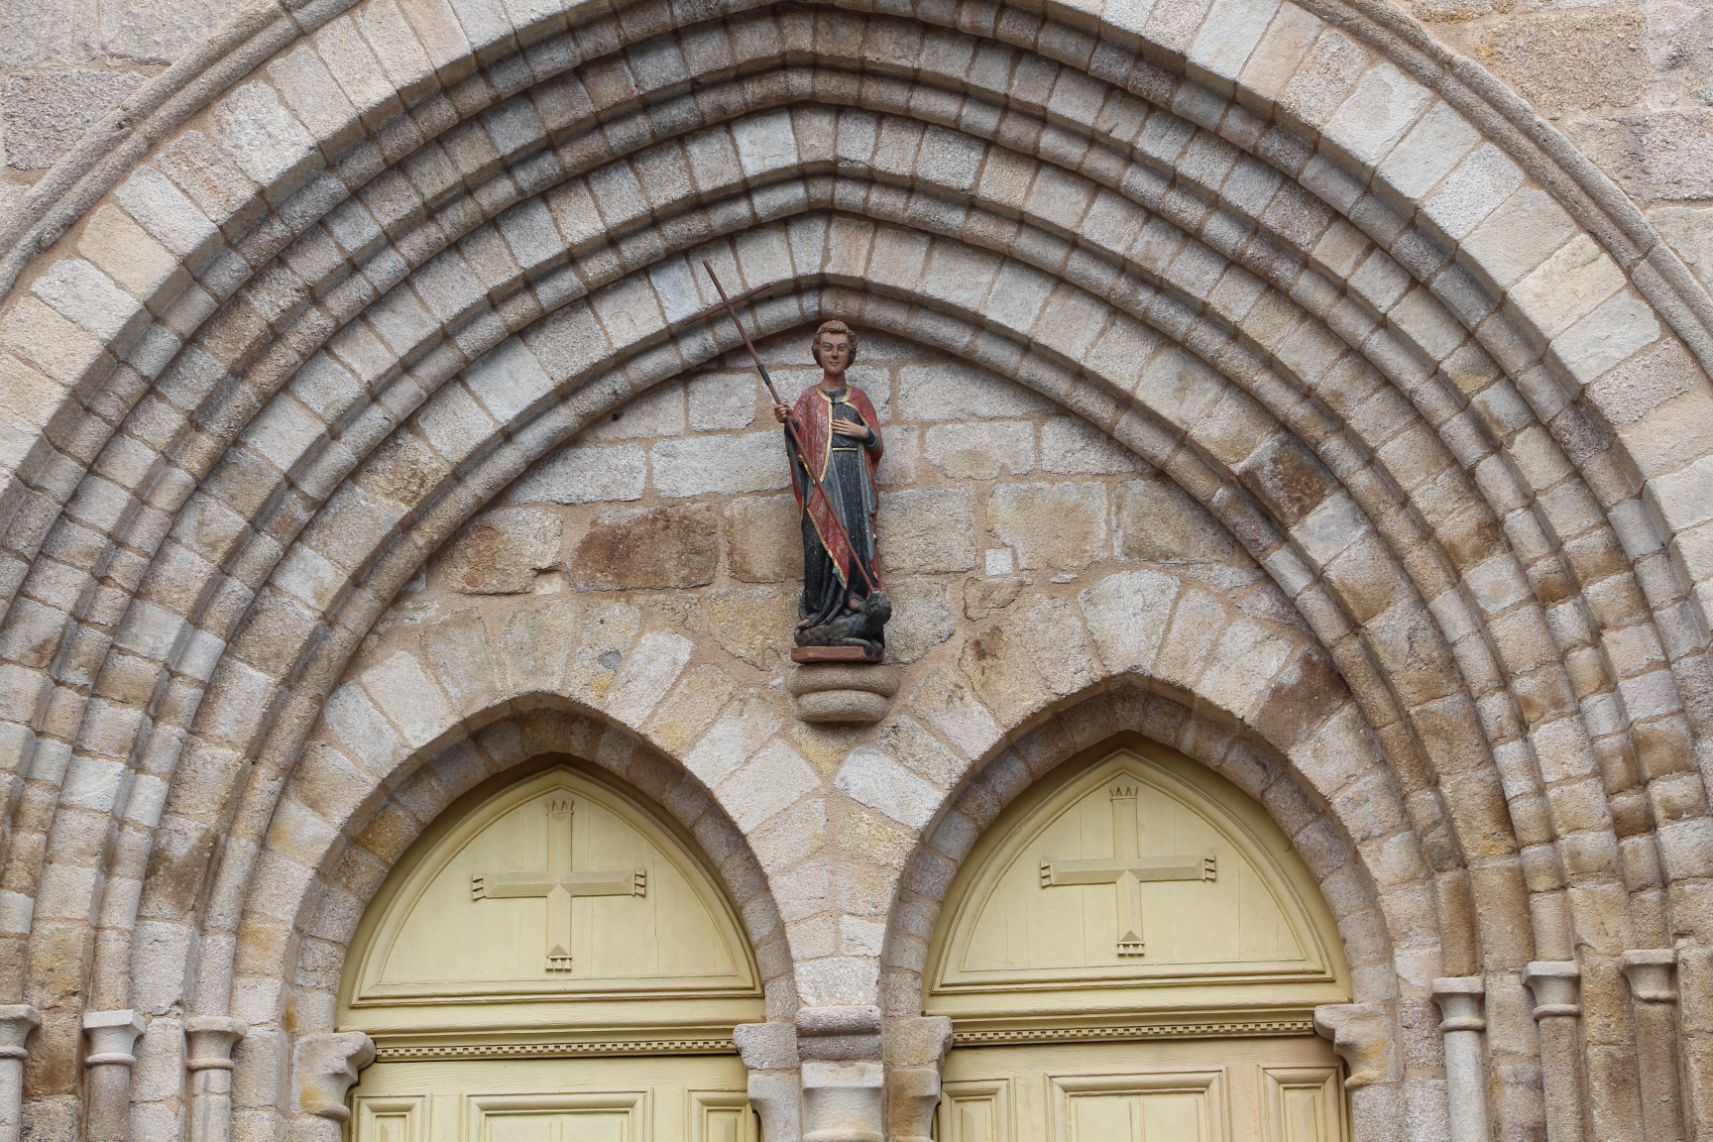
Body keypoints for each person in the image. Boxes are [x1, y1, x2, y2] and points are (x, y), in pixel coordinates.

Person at [773, 320, 884, 641]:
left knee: (856, 536)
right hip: (821, 484)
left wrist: (864, 433)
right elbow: (799, 438)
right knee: (817, 540)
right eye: (828, 348)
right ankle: (819, 610)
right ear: (818, 352)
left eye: (841, 348)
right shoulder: (809, 398)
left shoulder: (859, 398)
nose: (834, 354)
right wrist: (788, 421)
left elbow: (877, 447)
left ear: (850, 355)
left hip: (853, 481)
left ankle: (855, 597)